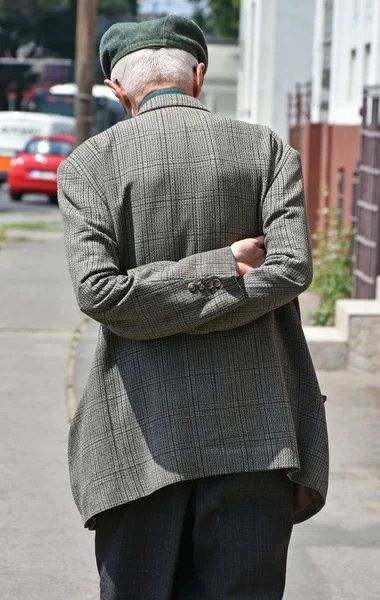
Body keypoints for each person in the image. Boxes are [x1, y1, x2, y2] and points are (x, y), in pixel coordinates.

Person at [58, 15, 328, 600]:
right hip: (256, 433)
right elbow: (290, 271)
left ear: (117, 90)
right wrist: (219, 265)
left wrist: (154, 298)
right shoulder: (266, 150)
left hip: (137, 440)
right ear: (199, 75)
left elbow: (102, 294)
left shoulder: (89, 165)